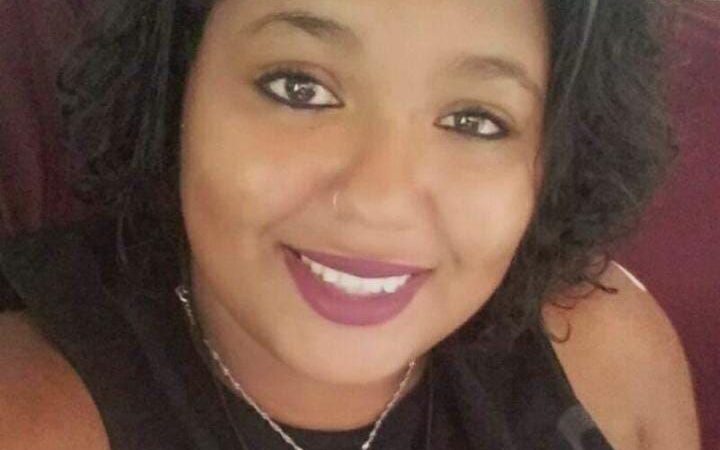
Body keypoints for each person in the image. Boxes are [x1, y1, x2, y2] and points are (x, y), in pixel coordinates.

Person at [0, 0, 701, 449]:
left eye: (474, 120)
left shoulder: (607, 360)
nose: (378, 198)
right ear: (177, 84)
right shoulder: (34, 411)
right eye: (299, 88)